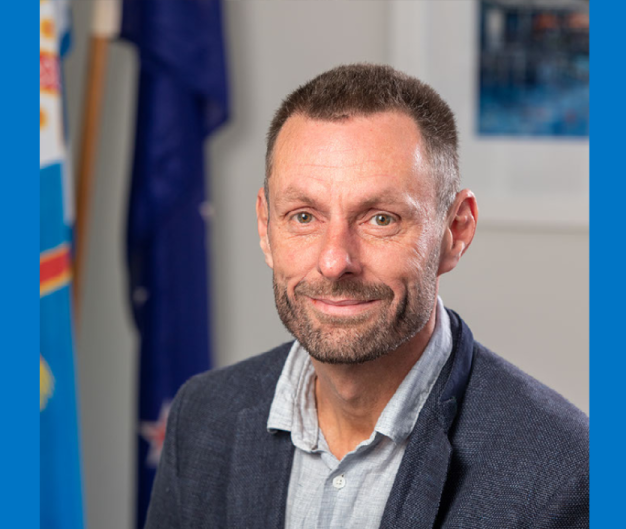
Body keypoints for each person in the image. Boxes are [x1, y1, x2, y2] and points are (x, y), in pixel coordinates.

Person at [144, 64, 589, 528]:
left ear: (455, 231)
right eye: (303, 217)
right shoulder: (202, 418)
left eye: (381, 219)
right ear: (265, 226)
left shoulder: (563, 475)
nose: (335, 261)